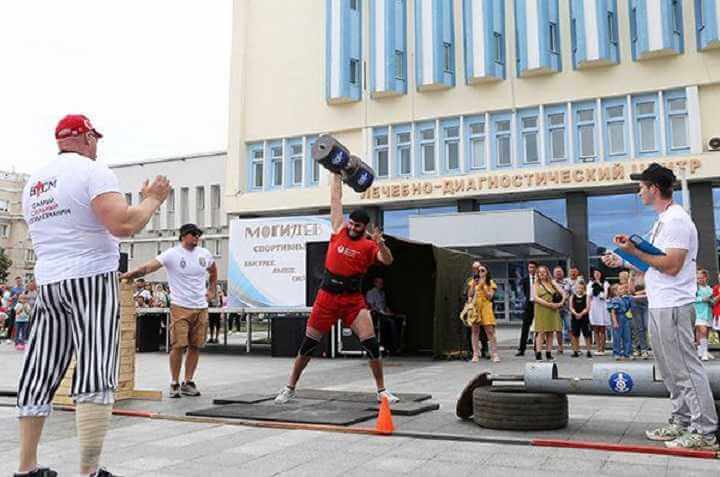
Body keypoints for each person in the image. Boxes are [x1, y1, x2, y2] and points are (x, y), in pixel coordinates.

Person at [16, 113, 170, 477]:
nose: (97, 144)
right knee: (95, 368)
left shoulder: (35, 182)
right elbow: (123, 223)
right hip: (90, 277)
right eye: (95, 138)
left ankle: (25, 467)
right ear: (86, 138)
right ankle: (88, 471)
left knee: (40, 370)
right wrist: (152, 199)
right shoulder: (91, 171)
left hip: (50, 281)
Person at [603, 162, 718, 450]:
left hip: (674, 305)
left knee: (685, 369)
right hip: (660, 304)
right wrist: (623, 259)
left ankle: (705, 431)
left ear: (654, 189)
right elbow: (650, 264)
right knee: (669, 369)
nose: (638, 191)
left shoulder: (677, 220)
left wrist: (633, 249)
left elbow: (671, 265)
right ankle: (681, 420)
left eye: (641, 187)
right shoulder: (662, 220)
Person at [274, 173, 397, 405]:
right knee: (308, 345)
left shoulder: (370, 245)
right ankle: (289, 387)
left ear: (364, 228)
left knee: (371, 343)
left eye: (357, 226)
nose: (352, 227)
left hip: (352, 300)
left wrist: (380, 242)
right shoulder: (339, 228)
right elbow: (335, 199)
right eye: (351, 223)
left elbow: (388, 260)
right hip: (327, 298)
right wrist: (337, 173)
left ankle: (382, 391)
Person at [121, 223, 218, 398]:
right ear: (183, 236)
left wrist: (212, 289)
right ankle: (174, 382)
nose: (196, 237)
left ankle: (188, 382)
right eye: (193, 234)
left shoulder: (204, 254)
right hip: (180, 306)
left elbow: (213, 270)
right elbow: (149, 267)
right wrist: (129, 274)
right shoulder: (172, 254)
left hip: (201, 306)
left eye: (198, 235)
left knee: (196, 346)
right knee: (179, 345)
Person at [466, 263, 499, 362]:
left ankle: (494, 354)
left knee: (490, 331)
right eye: (478, 270)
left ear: (487, 272)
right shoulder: (473, 281)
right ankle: (476, 353)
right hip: (476, 307)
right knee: (475, 331)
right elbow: (470, 294)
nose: (480, 272)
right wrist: (474, 284)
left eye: (482, 270)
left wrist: (483, 286)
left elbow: (490, 297)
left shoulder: (491, 283)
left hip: (486, 307)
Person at [366, 277, 405, 356]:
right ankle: (394, 347)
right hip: (377, 314)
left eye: (382, 283)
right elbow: (372, 306)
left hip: (384, 313)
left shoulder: (382, 293)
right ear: (375, 283)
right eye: (379, 283)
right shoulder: (370, 293)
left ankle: (396, 346)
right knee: (391, 323)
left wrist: (389, 312)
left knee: (398, 320)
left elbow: (384, 305)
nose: (381, 285)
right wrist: (383, 313)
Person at [533, 265, 565, 361]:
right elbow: (535, 298)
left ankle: (548, 353)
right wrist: (548, 304)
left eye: (544, 272)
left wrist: (560, 303)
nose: (542, 274)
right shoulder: (536, 284)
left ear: (547, 273)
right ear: (537, 274)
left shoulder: (552, 282)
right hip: (541, 309)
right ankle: (538, 353)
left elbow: (563, 293)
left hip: (552, 309)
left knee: (550, 332)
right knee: (541, 332)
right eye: (540, 272)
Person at [463, 262, 489, 359]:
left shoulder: (486, 280)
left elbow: (490, 295)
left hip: (483, 308)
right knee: (471, 331)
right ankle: (472, 351)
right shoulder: (470, 280)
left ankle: (485, 349)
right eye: (474, 268)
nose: (477, 270)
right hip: (472, 309)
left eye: (478, 268)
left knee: (484, 331)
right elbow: (466, 294)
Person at [516, 261, 538, 356]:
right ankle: (521, 349)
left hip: (538, 305)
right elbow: (524, 292)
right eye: (530, 267)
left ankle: (537, 348)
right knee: (525, 327)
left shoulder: (540, 279)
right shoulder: (525, 280)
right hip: (529, 305)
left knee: (538, 327)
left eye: (533, 267)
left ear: (536, 268)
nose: (531, 269)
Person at [588, 269, 611, 356]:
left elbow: (605, 295)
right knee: (595, 329)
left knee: (602, 329)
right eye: (595, 273)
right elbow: (589, 294)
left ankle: (602, 348)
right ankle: (598, 348)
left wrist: (599, 292)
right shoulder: (590, 283)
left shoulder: (605, 283)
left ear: (601, 274)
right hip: (594, 307)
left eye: (598, 273)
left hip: (603, 307)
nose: (597, 275)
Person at [607, 284, 632, 361]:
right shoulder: (614, 300)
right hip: (618, 318)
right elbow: (613, 312)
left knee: (627, 336)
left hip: (626, 318)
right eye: (620, 289)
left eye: (623, 289)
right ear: (615, 292)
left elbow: (630, 306)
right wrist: (615, 322)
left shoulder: (626, 298)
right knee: (617, 337)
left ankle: (627, 353)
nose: (623, 290)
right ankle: (617, 353)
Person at [628, 270, 650, 359]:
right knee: (639, 327)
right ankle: (642, 349)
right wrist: (631, 279)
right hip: (635, 303)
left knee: (646, 325)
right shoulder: (632, 277)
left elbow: (650, 290)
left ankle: (643, 347)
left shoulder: (647, 275)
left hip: (646, 303)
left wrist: (638, 293)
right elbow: (631, 291)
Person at [569, 278, 592, 358]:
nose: (579, 289)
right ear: (575, 288)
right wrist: (575, 313)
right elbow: (571, 307)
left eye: (581, 288)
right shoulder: (572, 296)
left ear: (584, 288)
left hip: (584, 318)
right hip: (575, 318)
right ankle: (575, 351)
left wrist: (581, 314)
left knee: (587, 335)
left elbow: (588, 307)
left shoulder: (587, 296)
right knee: (575, 335)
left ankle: (588, 351)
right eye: (578, 288)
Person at [695, 269, 715, 361]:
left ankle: (701, 351)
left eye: (701, 278)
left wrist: (711, 301)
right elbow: (691, 298)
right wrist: (702, 299)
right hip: (698, 313)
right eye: (698, 278)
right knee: (702, 331)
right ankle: (703, 353)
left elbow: (712, 301)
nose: (699, 280)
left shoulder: (710, 289)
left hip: (708, 313)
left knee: (705, 333)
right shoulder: (695, 288)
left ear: (706, 278)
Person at [552, 265, 571, 353]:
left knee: (570, 327)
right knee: (558, 329)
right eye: (557, 272)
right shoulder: (551, 283)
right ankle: (560, 347)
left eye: (560, 272)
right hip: (556, 309)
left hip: (567, 309)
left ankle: (575, 346)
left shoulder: (568, 282)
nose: (558, 273)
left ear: (563, 273)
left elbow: (572, 294)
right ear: (554, 274)